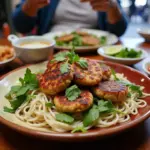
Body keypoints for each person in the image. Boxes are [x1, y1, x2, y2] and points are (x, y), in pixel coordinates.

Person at [12, 0, 128, 37]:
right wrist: (30, 5)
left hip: (97, 52)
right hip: (52, 51)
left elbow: (119, 31)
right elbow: (20, 26)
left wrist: (113, 8)